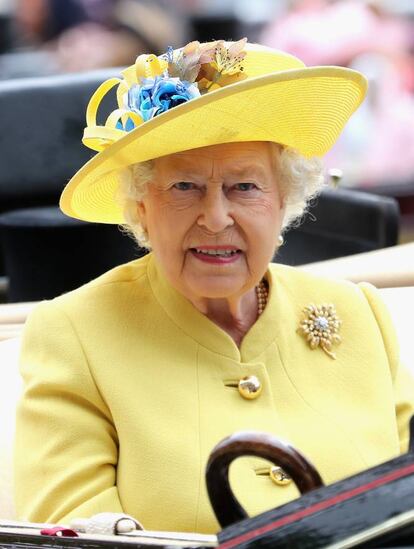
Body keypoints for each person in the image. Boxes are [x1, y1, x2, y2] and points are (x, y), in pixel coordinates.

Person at [14, 38, 414, 534]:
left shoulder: (358, 313)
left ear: (284, 200)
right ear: (141, 206)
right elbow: (76, 538)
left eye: (244, 186)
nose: (215, 217)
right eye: (185, 187)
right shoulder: (75, 335)